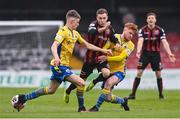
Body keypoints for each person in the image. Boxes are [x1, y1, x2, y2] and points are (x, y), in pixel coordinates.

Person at [11, 9, 112, 112]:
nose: (78, 24)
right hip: (59, 66)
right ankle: (81, 108)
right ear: (72, 21)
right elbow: (54, 45)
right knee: (81, 83)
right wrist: (56, 58)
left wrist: (103, 50)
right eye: (77, 22)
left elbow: (88, 45)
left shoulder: (75, 34)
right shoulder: (62, 32)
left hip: (63, 66)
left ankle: (22, 98)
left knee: (50, 90)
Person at [64, 8, 119, 103]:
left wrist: (117, 43)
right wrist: (104, 28)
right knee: (81, 80)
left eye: (104, 18)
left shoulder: (109, 28)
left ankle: (95, 81)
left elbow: (113, 37)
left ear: (107, 18)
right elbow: (92, 32)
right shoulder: (93, 25)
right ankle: (68, 91)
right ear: (97, 18)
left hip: (101, 57)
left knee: (106, 73)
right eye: (100, 18)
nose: (102, 20)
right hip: (90, 58)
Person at [89, 23, 138, 112]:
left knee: (108, 83)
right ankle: (123, 101)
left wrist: (107, 58)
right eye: (130, 33)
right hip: (108, 70)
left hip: (120, 71)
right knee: (108, 98)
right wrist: (105, 52)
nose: (131, 36)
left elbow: (121, 58)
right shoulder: (114, 37)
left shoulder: (131, 45)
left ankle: (96, 108)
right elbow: (105, 47)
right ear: (125, 29)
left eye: (133, 34)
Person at [128, 12, 176, 100]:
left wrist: (169, 53)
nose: (151, 19)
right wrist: (138, 51)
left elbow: (164, 42)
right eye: (149, 18)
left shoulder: (160, 30)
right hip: (145, 54)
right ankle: (133, 94)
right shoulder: (142, 30)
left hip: (155, 55)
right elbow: (140, 41)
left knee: (158, 74)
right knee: (139, 73)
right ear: (147, 20)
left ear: (155, 20)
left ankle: (161, 95)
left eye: (152, 18)